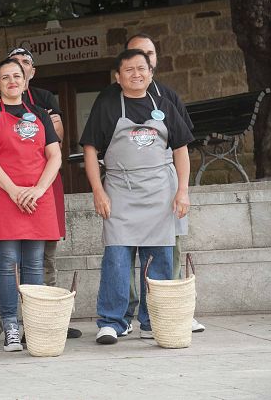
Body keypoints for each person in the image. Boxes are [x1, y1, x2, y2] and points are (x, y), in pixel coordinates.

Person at [80, 49, 193, 344]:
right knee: (117, 258)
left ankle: (152, 321)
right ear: (118, 77)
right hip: (120, 192)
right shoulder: (107, 105)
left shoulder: (164, 105)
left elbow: (181, 150)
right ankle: (112, 321)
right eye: (128, 70)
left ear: (150, 72)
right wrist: (98, 190)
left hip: (160, 193)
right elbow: (90, 149)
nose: (136, 74)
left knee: (159, 262)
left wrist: (182, 190)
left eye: (141, 69)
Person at [0, 47, 80, 346]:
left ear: (25, 80)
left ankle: (34, 324)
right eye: (5, 76)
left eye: (16, 75)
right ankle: (10, 327)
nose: (11, 80)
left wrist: (38, 190)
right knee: (7, 261)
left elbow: (54, 156)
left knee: (34, 262)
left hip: (37, 195)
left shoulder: (39, 114)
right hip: (3, 194)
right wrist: (14, 190)